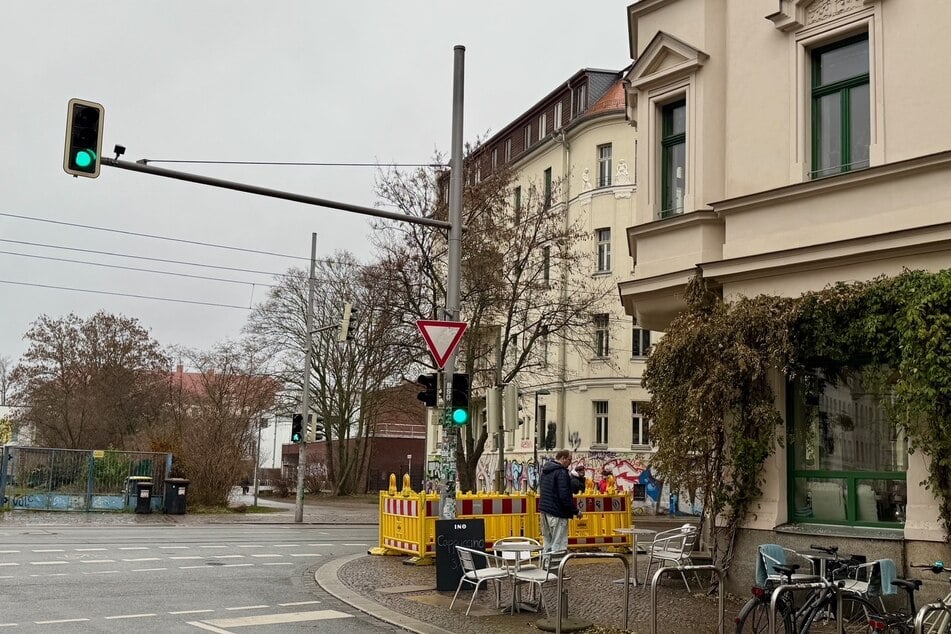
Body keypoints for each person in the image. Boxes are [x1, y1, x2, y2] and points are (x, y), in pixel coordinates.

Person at [539, 449, 582, 556]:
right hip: (558, 512)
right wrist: (576, 511)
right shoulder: (561, 472)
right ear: (563, 458)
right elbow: (564, 496)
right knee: (558, 544)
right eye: (569, 459)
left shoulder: (546, 470)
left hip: (545, 510)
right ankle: (556, 570)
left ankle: (546, 569)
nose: (570, 462)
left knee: (547, 542)